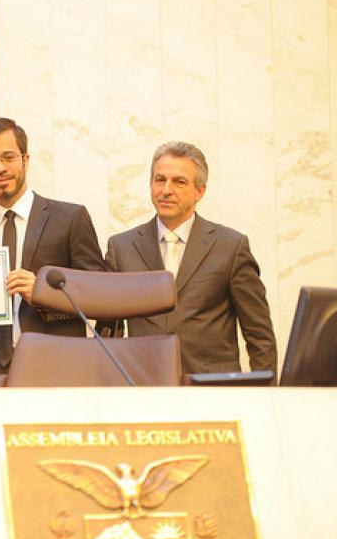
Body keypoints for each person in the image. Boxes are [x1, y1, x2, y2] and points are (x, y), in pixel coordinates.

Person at [105, 141, 277, 377]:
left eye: (179, 182)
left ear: (200, 191)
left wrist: (265, 397)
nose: (166, 190)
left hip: (211, 389)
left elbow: (259, 334)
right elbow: (108, 333)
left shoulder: (231, 246)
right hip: (142, 388)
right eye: (159, 179)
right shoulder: (121, 248)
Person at [0, 118, 107, 386]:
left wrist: (43, 293)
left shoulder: (70, 218)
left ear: (26, 160)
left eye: (8, 157)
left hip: (56, 364)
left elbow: (99, 295)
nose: (0, 168)